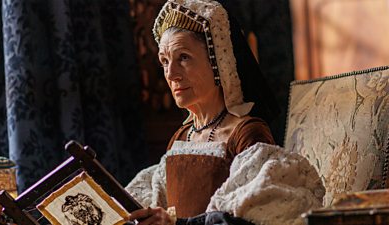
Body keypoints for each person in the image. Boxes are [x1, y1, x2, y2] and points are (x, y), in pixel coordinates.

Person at [126, 0, 325, 225]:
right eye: (164, 61)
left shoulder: (246, 134)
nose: (171, 74)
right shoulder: (182, 138)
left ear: (218, 63)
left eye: (183, 57)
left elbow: (248, 218)